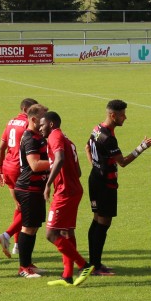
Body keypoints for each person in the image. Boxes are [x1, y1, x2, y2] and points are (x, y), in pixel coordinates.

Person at [86, 99, 151, 276]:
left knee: (97, 220)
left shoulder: (97, 129)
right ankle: (95, 266)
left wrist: (95, 166)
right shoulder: (108, 138)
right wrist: (142, 147)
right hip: (105, 184)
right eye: (122, 114)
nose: (125, 117)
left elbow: (87, 147)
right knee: (103, 223)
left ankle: (94, 263)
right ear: (112, 115)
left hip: (95, 179)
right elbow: (123, 162)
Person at [42, 111, 94, 287]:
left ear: (50, 124)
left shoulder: (54, 136)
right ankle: (67, 276)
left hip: (64, 192)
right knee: (66, 232)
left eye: (42, 125)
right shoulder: (67, 139)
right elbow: (78, 172)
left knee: (51, 233)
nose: (40, 128)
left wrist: (49, 183)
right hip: (73, 189)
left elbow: (60, 158)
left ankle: (84, 265)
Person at [0, 97, 39, 259]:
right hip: (21, 169)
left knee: (19, 206)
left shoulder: (11, 122)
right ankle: (6, 236)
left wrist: (0, 170)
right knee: (27, 208)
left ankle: (17, 245)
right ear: (28, 109)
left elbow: (1, 147)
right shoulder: (29, 123)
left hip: (7, 167)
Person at [12, 103, 51, 279]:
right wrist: (57, 161)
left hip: (36, 188)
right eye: (44, 117)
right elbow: (35, 165)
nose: (47, 121)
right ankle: (23, 268)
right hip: (28, 188)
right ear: (34, 119)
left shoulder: (39, 136)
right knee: (27, 228)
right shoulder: (30, 138)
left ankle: (28, 264)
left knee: (34, 227)